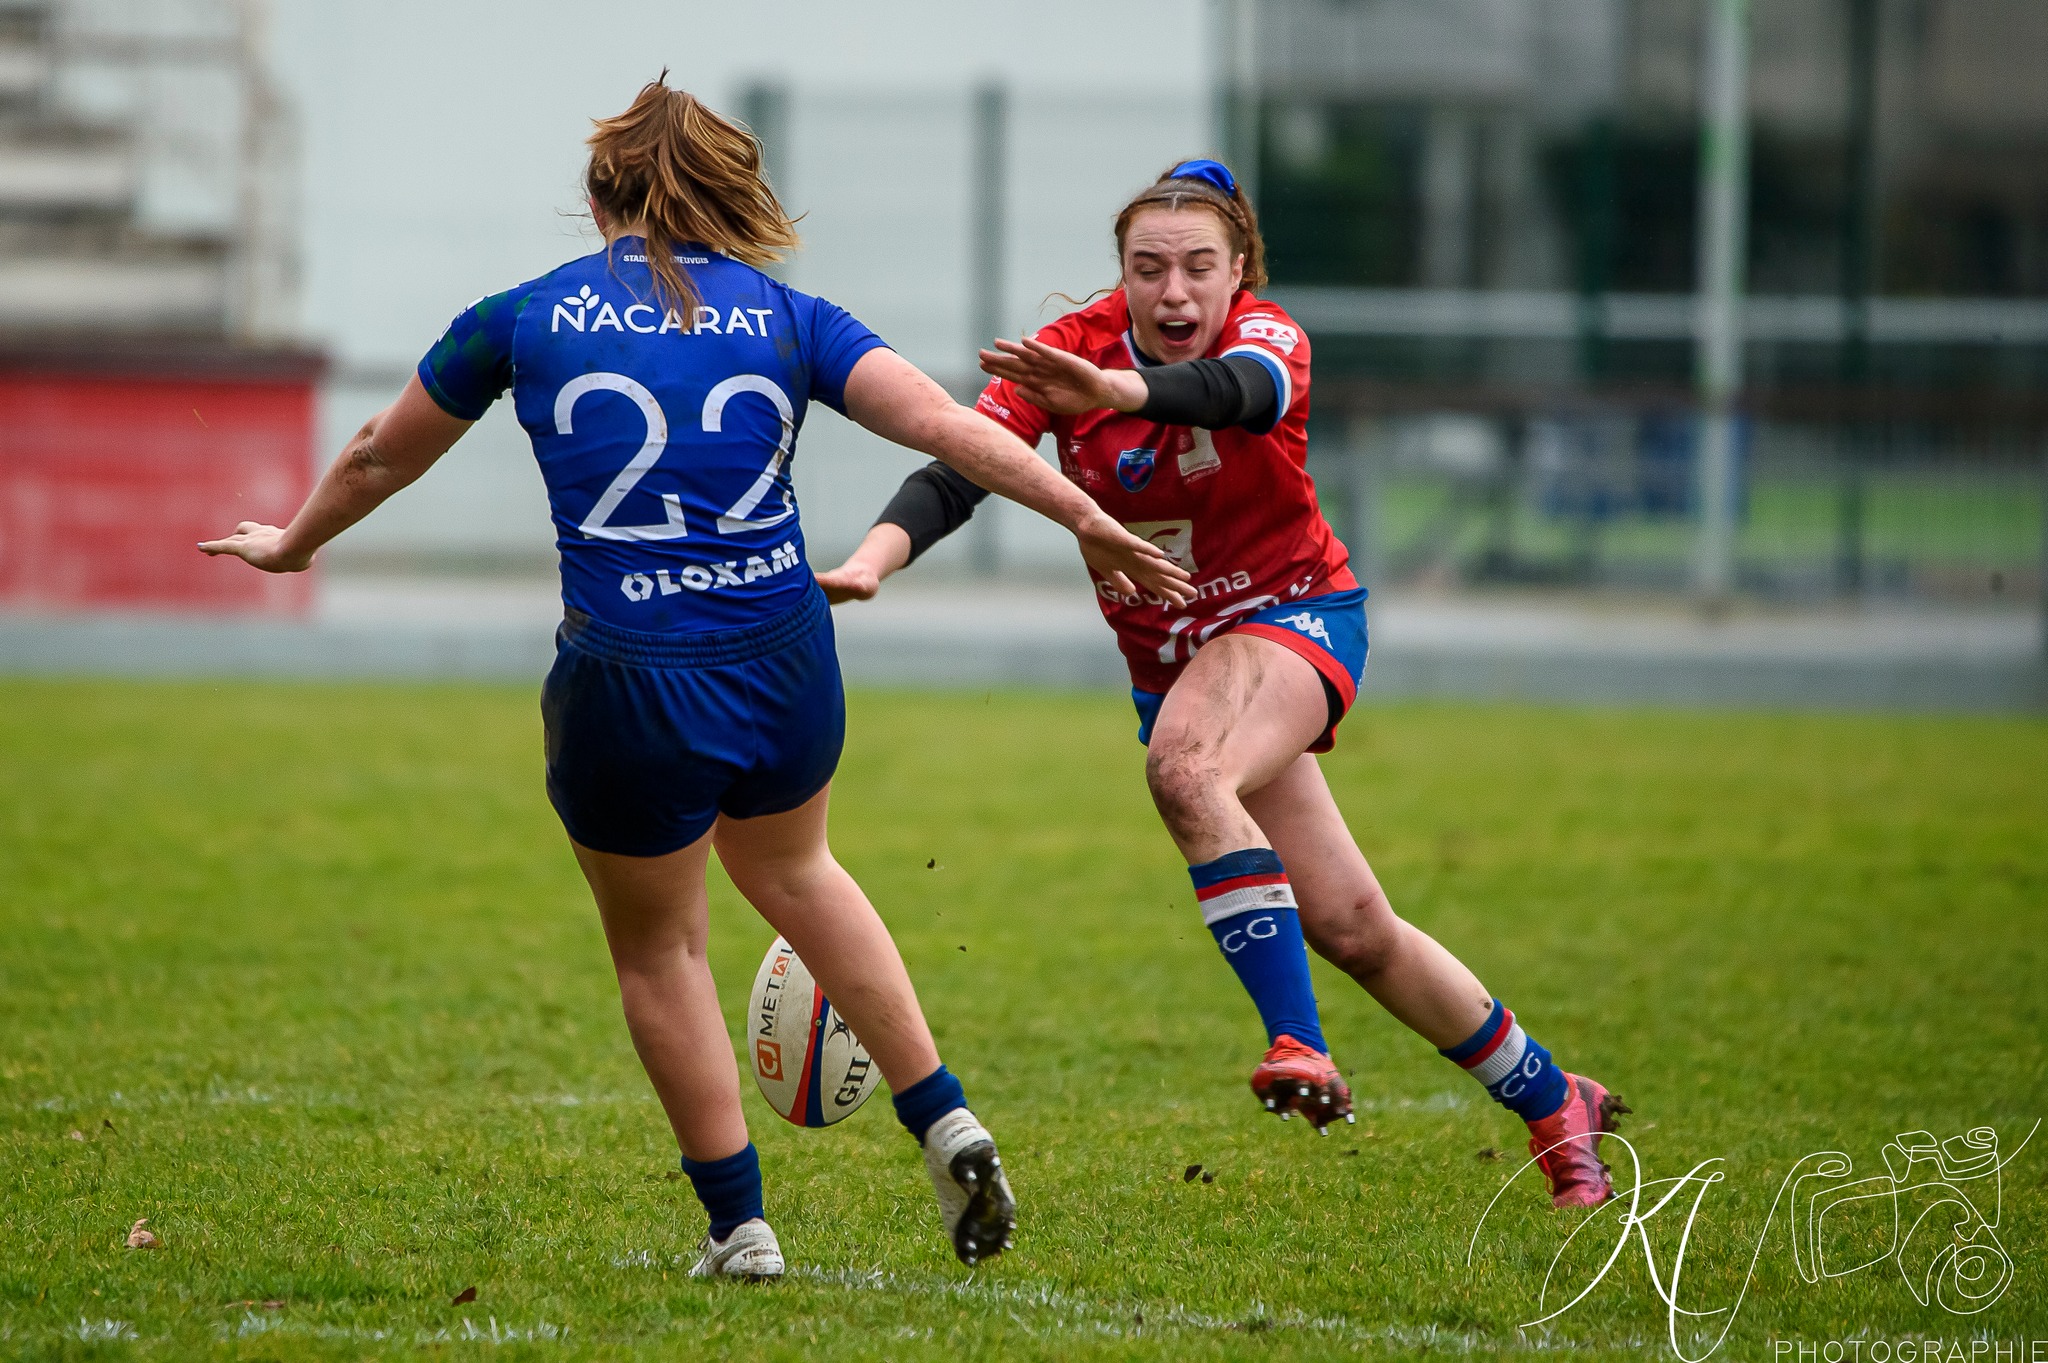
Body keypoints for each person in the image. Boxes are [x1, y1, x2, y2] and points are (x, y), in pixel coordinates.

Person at [201, 78, 1193, 1276]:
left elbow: (373, 455)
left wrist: (292, 543)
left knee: (662, 950)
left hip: (629, 673)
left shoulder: (518, 318)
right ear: (727, 195)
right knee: (798, 870)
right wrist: (1085, 515)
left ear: (595, 194)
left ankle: (741, 1229)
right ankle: (945, 1115)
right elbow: (945, 425)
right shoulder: (789, 315)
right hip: (783, 654)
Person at [819, 159, 1628, 1208]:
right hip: (1175, 665)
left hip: (1290, 618)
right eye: (1147, 268)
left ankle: (1296, 1044)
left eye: (1199, 267)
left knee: (1187, 772)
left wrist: (1113, 394)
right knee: (1350, 926)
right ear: (1119, 273)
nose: (1173, 292)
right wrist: (871, 560)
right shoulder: (1067, 353)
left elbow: (1237, 395)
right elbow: (957, 468)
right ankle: (1550, 1097)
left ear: (1238, 269)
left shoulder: (1267, 337)